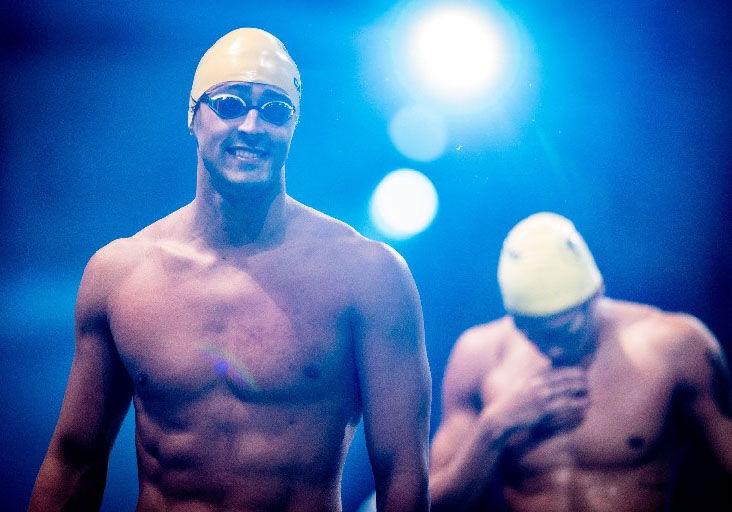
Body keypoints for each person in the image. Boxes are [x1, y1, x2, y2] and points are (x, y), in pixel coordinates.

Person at [29, 28, 431, 512]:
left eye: (276, 110)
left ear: (294, 126)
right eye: (231, 103)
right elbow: (75, 459)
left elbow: (404, 472)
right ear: (193, 115)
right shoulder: (120, 275)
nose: (253, 125)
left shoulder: (369, 275)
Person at [429, 212, 732, 511]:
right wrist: (493, 429)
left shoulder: (674, 347)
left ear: (595, 296)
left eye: (565, 330)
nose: (554, 350)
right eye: (533, 333)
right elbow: (429, 505)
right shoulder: (479, 356)